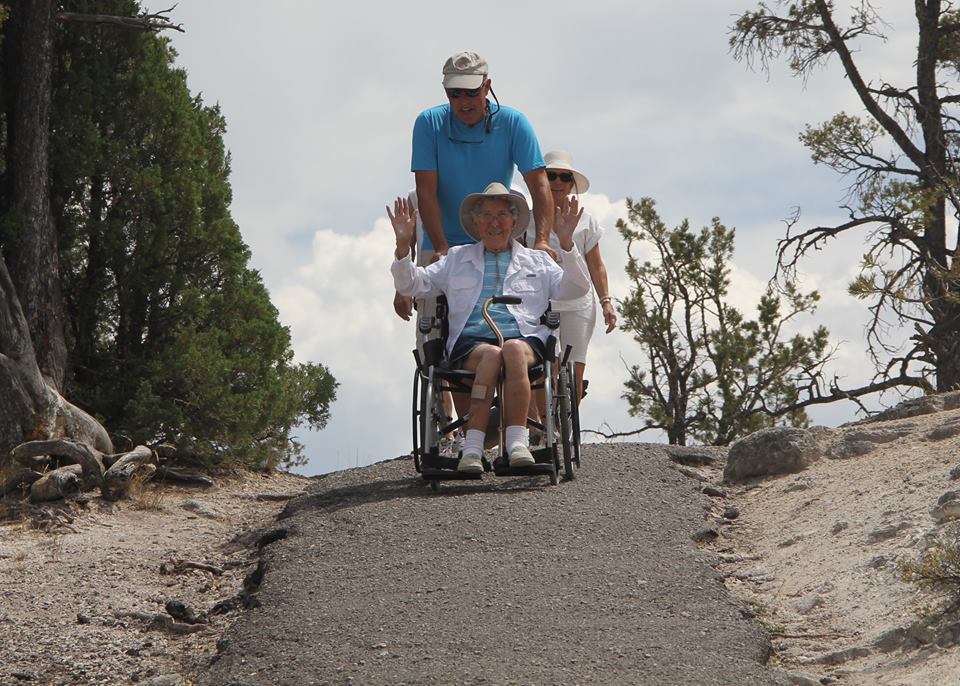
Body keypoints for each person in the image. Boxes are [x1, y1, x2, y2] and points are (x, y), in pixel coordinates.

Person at [388, 183, 589, 474]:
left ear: (514, 221)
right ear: (476, 222)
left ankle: (517, 445)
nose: (495, 223)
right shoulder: (456, 259)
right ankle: (472, 449)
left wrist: (568, 245)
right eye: (487, 215)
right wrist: (403, 246)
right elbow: (410, 284)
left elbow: (577, 288)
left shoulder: (538, 260)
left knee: (511, 349)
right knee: (493, 355)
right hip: (472, 344)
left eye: (502, 215)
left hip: (524, 341)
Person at [394, 50, 554, 320]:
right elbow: (425, 192)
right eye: (454, 94)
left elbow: (539, 185)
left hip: (497, 240)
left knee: (514, 320)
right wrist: (443, 247)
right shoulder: (428, 123)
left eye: (470, 92)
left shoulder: (514, 123)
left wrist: (541, 241)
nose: (463, 101)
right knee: (432, 330)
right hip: (442, 243)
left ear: (487, 87)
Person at [528, 150, 617, 400]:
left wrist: (607, 301)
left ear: (571, 183)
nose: (557, 182)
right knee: (543, 364)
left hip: (579, 302)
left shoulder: (587, 221)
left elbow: (596, 265)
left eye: (563, 177)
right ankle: (543, 429)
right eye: (551, 175)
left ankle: (568, 431)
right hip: (540, 301)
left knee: (575, 368)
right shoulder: (526, 218)